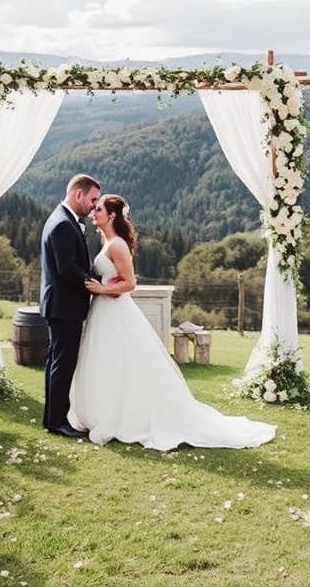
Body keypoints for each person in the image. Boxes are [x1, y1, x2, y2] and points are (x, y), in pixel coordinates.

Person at [68, 195, 275, 450]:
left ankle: (124, 416)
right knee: (107, 361)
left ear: (111, 215)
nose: (93, 212)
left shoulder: (117, 245)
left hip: (115, 311)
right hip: (104, 311)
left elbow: (130, 283)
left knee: (122, 361)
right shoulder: (106, 241)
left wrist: (101, 289)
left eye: (98, 209)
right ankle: (103, 410)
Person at [40, 173, 101, 439]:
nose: (94, 205)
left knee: (56, 361)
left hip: (60, 305)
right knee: (63, 364)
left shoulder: (63, 219)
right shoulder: (63, 224)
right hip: (65, 306)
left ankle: (52, 418)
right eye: (93, 199)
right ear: (78, 194)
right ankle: (58, 421)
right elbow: (66, 268)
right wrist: (95, 285)